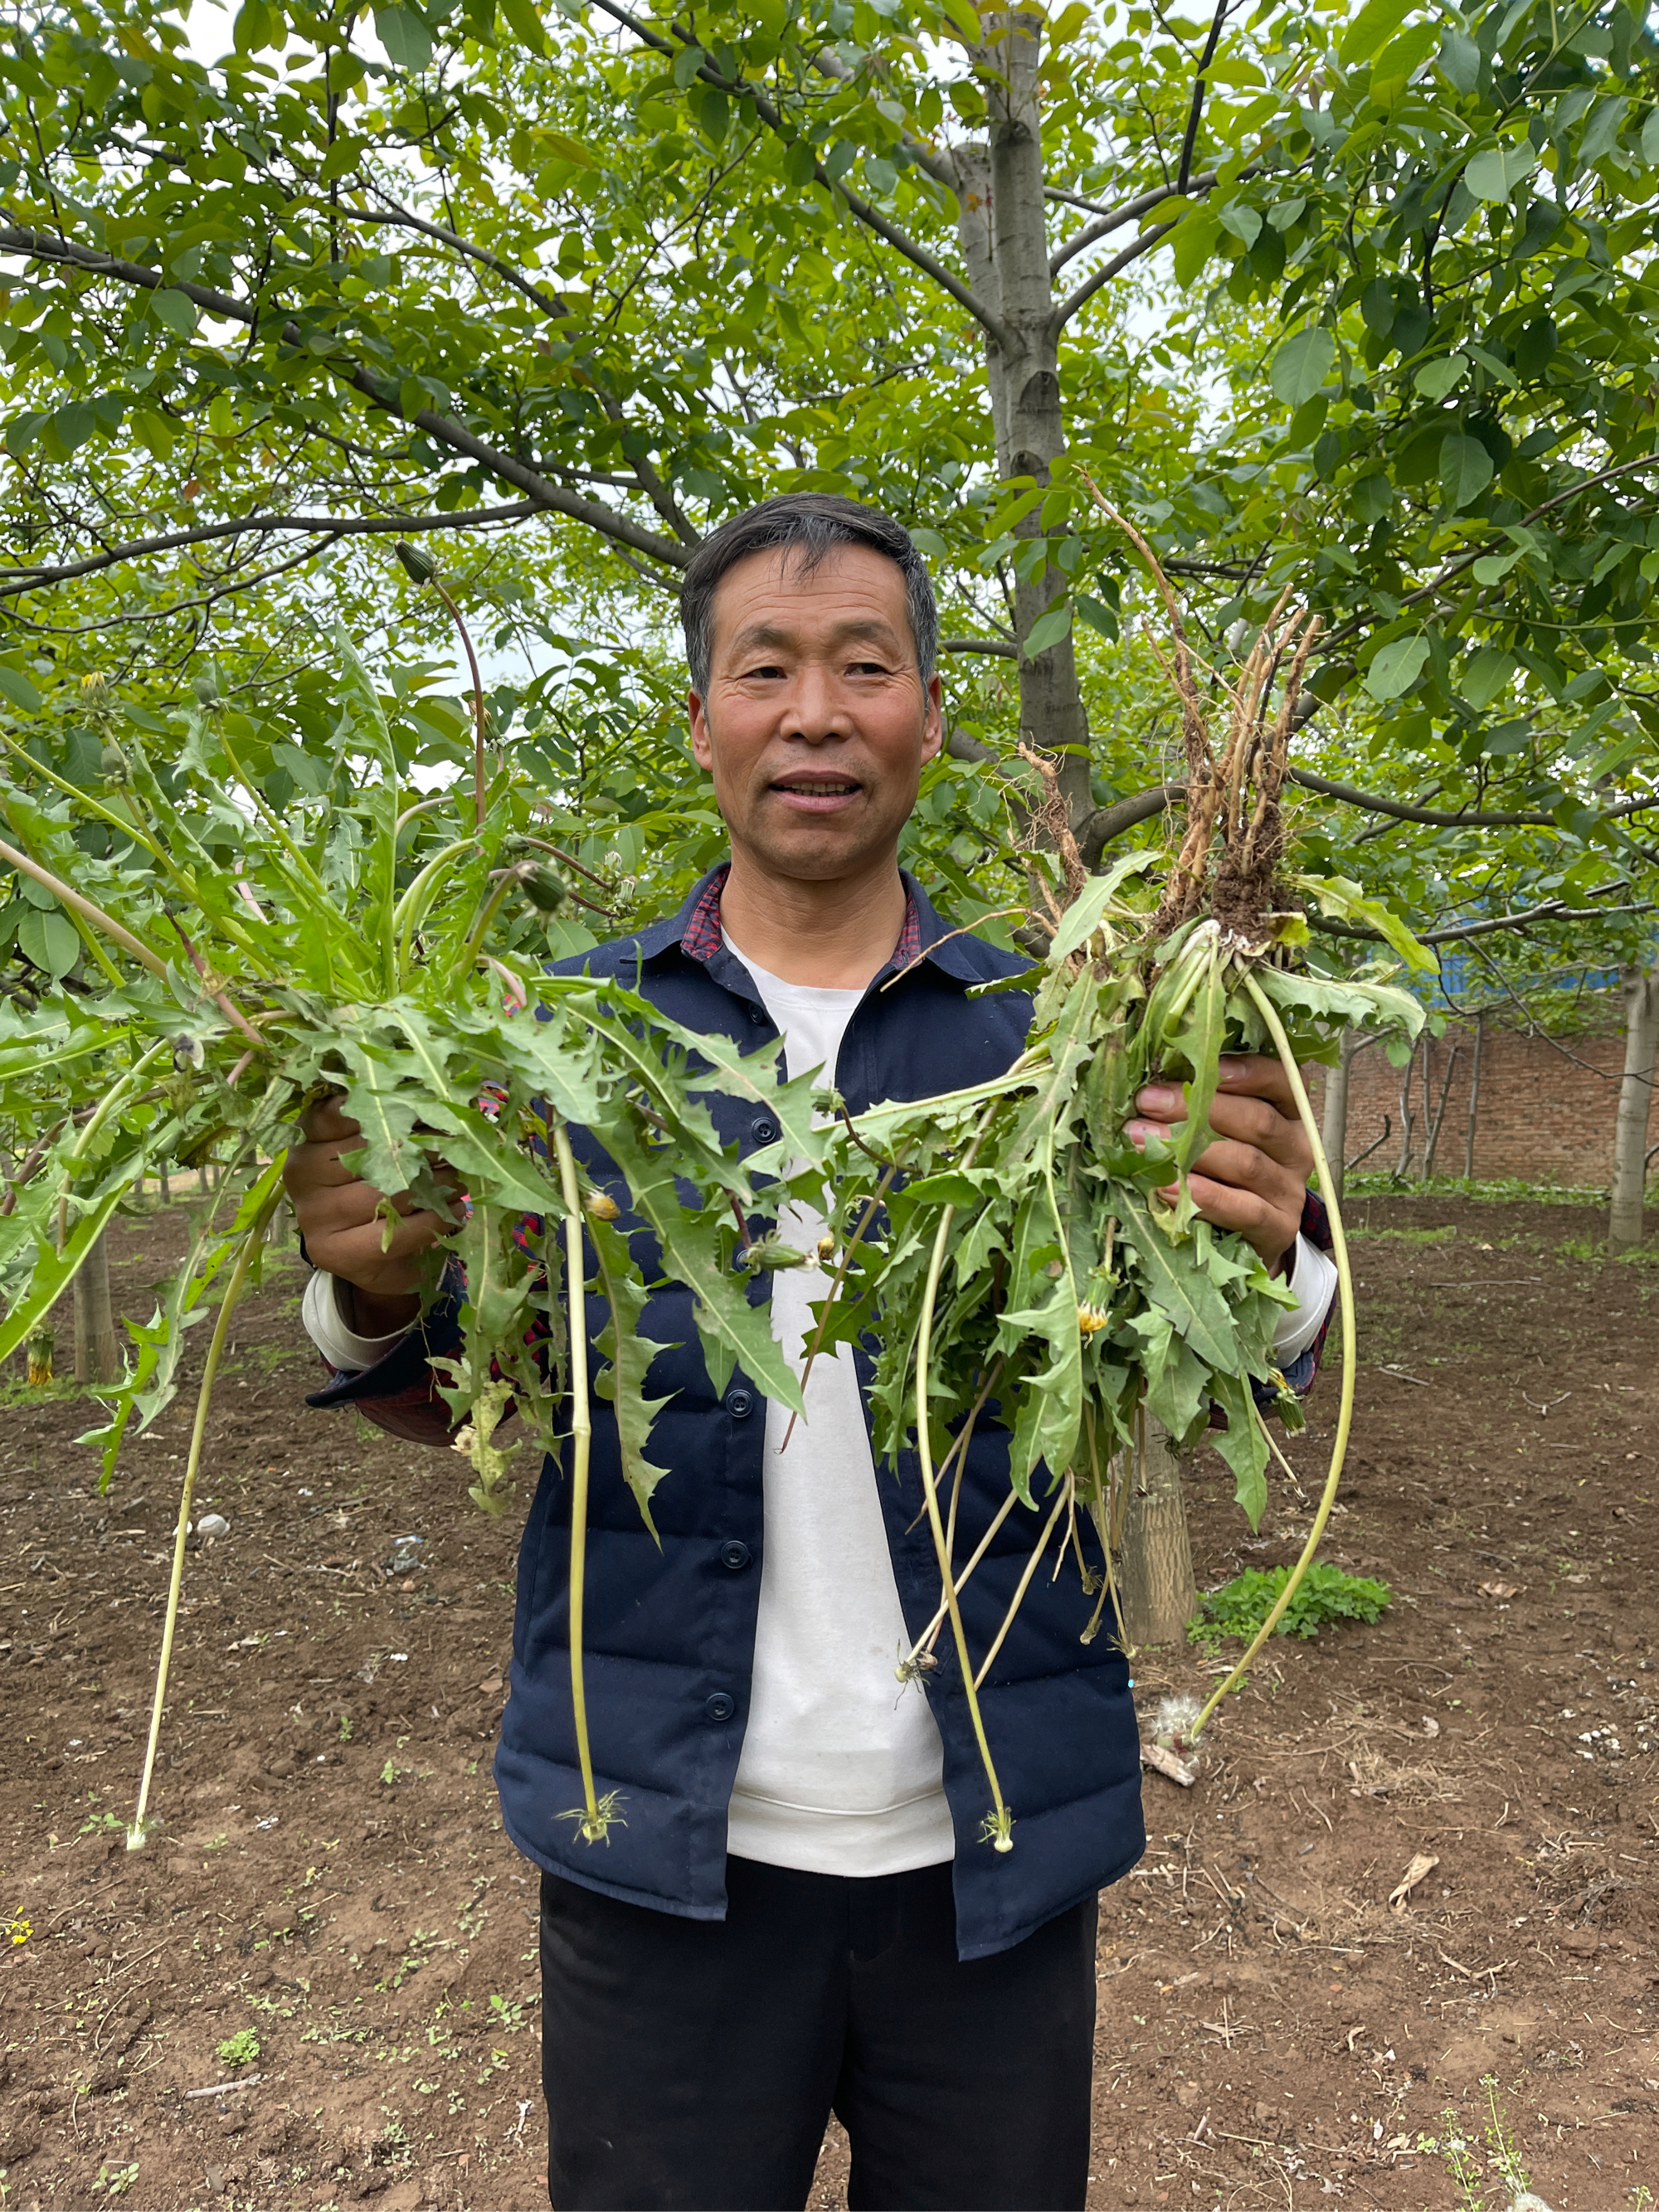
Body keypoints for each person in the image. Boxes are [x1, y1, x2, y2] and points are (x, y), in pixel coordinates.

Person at [285, 493, 1335, 2212]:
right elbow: (452, 1379)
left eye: (866, 664)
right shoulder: (560, 1048)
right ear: (700, 720)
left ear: (930, 711)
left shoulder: (1061, 1034)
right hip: (658, 1853)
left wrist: (1267, 1249)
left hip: (989, 1852)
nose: (816, 710)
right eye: (763, 667)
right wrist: (376, 1288)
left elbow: (1219, 1360)